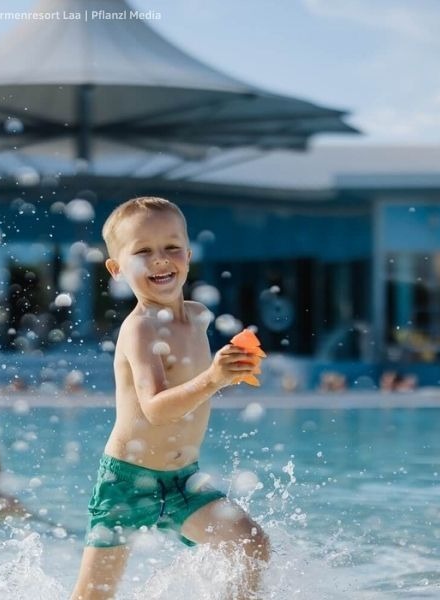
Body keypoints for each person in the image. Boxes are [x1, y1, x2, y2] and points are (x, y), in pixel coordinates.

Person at [72, 197, 270, 600]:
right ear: (117, 269)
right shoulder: (140, 329)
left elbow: (191, 382)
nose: (160, 260)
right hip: (126, 482)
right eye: (143, 251)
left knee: (252, 547)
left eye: (170, 247)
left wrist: (235, 366)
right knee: (94, 597)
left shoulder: (197, 316)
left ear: (188, 254)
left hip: (183, 480)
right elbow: (156, 408)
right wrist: (215, 377)